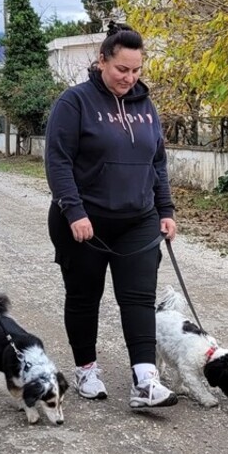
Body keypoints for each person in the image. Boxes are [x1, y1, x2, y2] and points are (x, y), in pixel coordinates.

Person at [44, 22, 178, 410]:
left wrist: (165, 210)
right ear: (101, 60)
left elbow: (157, 162)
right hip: (85, 222)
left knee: (138, 298)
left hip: (138, 220)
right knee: (85, 297)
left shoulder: (145, 106)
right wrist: (74, 211)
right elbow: (58, 161)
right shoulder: (75, 102)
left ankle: (145, 380)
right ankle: (86, 369)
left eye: (136, 71)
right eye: (122, 69)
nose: (129, 78)